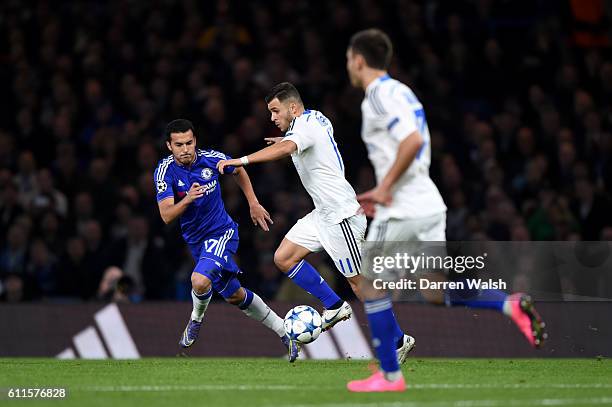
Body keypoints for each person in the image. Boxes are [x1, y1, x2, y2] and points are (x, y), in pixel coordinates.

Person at [344, 29, 546, 392]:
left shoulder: (376, 96)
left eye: (348, 59)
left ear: (359, 59)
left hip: (403, 207)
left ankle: (389, 375)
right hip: (429, 204)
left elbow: (413, 140)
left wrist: (385, 187)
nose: (348, 66)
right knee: (435, 291)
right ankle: (508, 304)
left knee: (370, 286)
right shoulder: (403, 90)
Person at [218, 83, 415, 362]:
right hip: (322, 215)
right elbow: (300, 144)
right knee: (284, 257)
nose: (272, 118)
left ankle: (397, 341)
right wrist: (288, 143)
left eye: (275, 111)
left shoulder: (305, 125)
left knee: (361, 285)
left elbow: (289, 147)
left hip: (341, 217)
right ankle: (334, 306)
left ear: (293, 108)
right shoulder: (313, 119)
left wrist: (242, 160)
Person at [154, 119, 299, 362]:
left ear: (195, 140)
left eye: (189, 142)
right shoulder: (164, 171)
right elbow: (166, 215)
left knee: (198, 281)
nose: (186, 148)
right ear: (169, 146)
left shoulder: (211, 159)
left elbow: (238, 169)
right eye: (179, 144)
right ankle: (285, 332)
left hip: (221, 233)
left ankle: (195, 321)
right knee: (235, 296)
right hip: (196, 242)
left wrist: (253, 202)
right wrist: (188, 199)